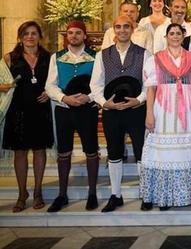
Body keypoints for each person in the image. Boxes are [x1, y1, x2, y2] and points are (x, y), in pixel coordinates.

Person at [90, 15, 150, 212]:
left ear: (132, 29)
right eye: (118, 27)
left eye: (126, 26)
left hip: (136, 110)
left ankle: (145, 194)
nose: (122, 30)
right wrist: (105, 103)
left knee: (141, 152)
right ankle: (116, 195)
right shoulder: (102, 55)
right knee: (114, 152)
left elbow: (148, 83)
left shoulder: (144, 53)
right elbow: (95, 84)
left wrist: (139, 100)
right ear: (113, 30)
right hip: (112, 111)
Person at [139, 23, 191, 211]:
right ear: (166, 37)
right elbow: (150, 88)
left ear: (184, 36)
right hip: (163, 109)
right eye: (171, 33)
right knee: (161, 153)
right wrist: (149, 113)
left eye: (178, 34)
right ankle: (162, 196)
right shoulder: (155, 59)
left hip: (187, 110)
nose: (175, 36)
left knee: (186, 152)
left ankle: (189, 194)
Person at [44, 21, 99, 212]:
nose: (73, 36)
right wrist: (64, 98)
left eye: (77, 33)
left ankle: (92, 194)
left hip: (87, 109)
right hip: (64, 110)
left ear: (84, 35)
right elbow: (50, 85)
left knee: (91, 150)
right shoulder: (57, 57)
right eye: (70, 33)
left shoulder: (95, 57)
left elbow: (101, 83)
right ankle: (62, 194)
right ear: (66, 36)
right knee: (64, 152)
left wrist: (88, 97)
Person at [1, 21, 53, 213]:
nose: (30, 37)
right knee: (20, 152)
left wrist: (50, 91)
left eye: (34, 33)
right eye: (26, 34)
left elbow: (57, 81)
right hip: (18, 111)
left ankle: (38, 192)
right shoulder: (10, 58)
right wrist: (4, 86)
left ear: (40, 36)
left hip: (41, 109)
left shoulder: (49, 58)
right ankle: (22, 194)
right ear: (20, 37)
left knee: (40, 150)